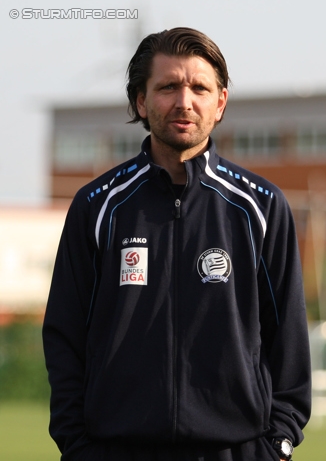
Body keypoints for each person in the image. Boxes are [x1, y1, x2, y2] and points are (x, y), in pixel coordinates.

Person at [43, 27, 311, 461]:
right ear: (141, 102)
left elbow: (289, 339)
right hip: (116, 449)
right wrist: (77, 444)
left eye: (199, 88)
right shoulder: (97, 206)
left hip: (237, 450)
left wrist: (278, 441)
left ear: (220, 102)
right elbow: (64, 334)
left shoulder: (261, 206)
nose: (184, 102)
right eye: (167, 87)